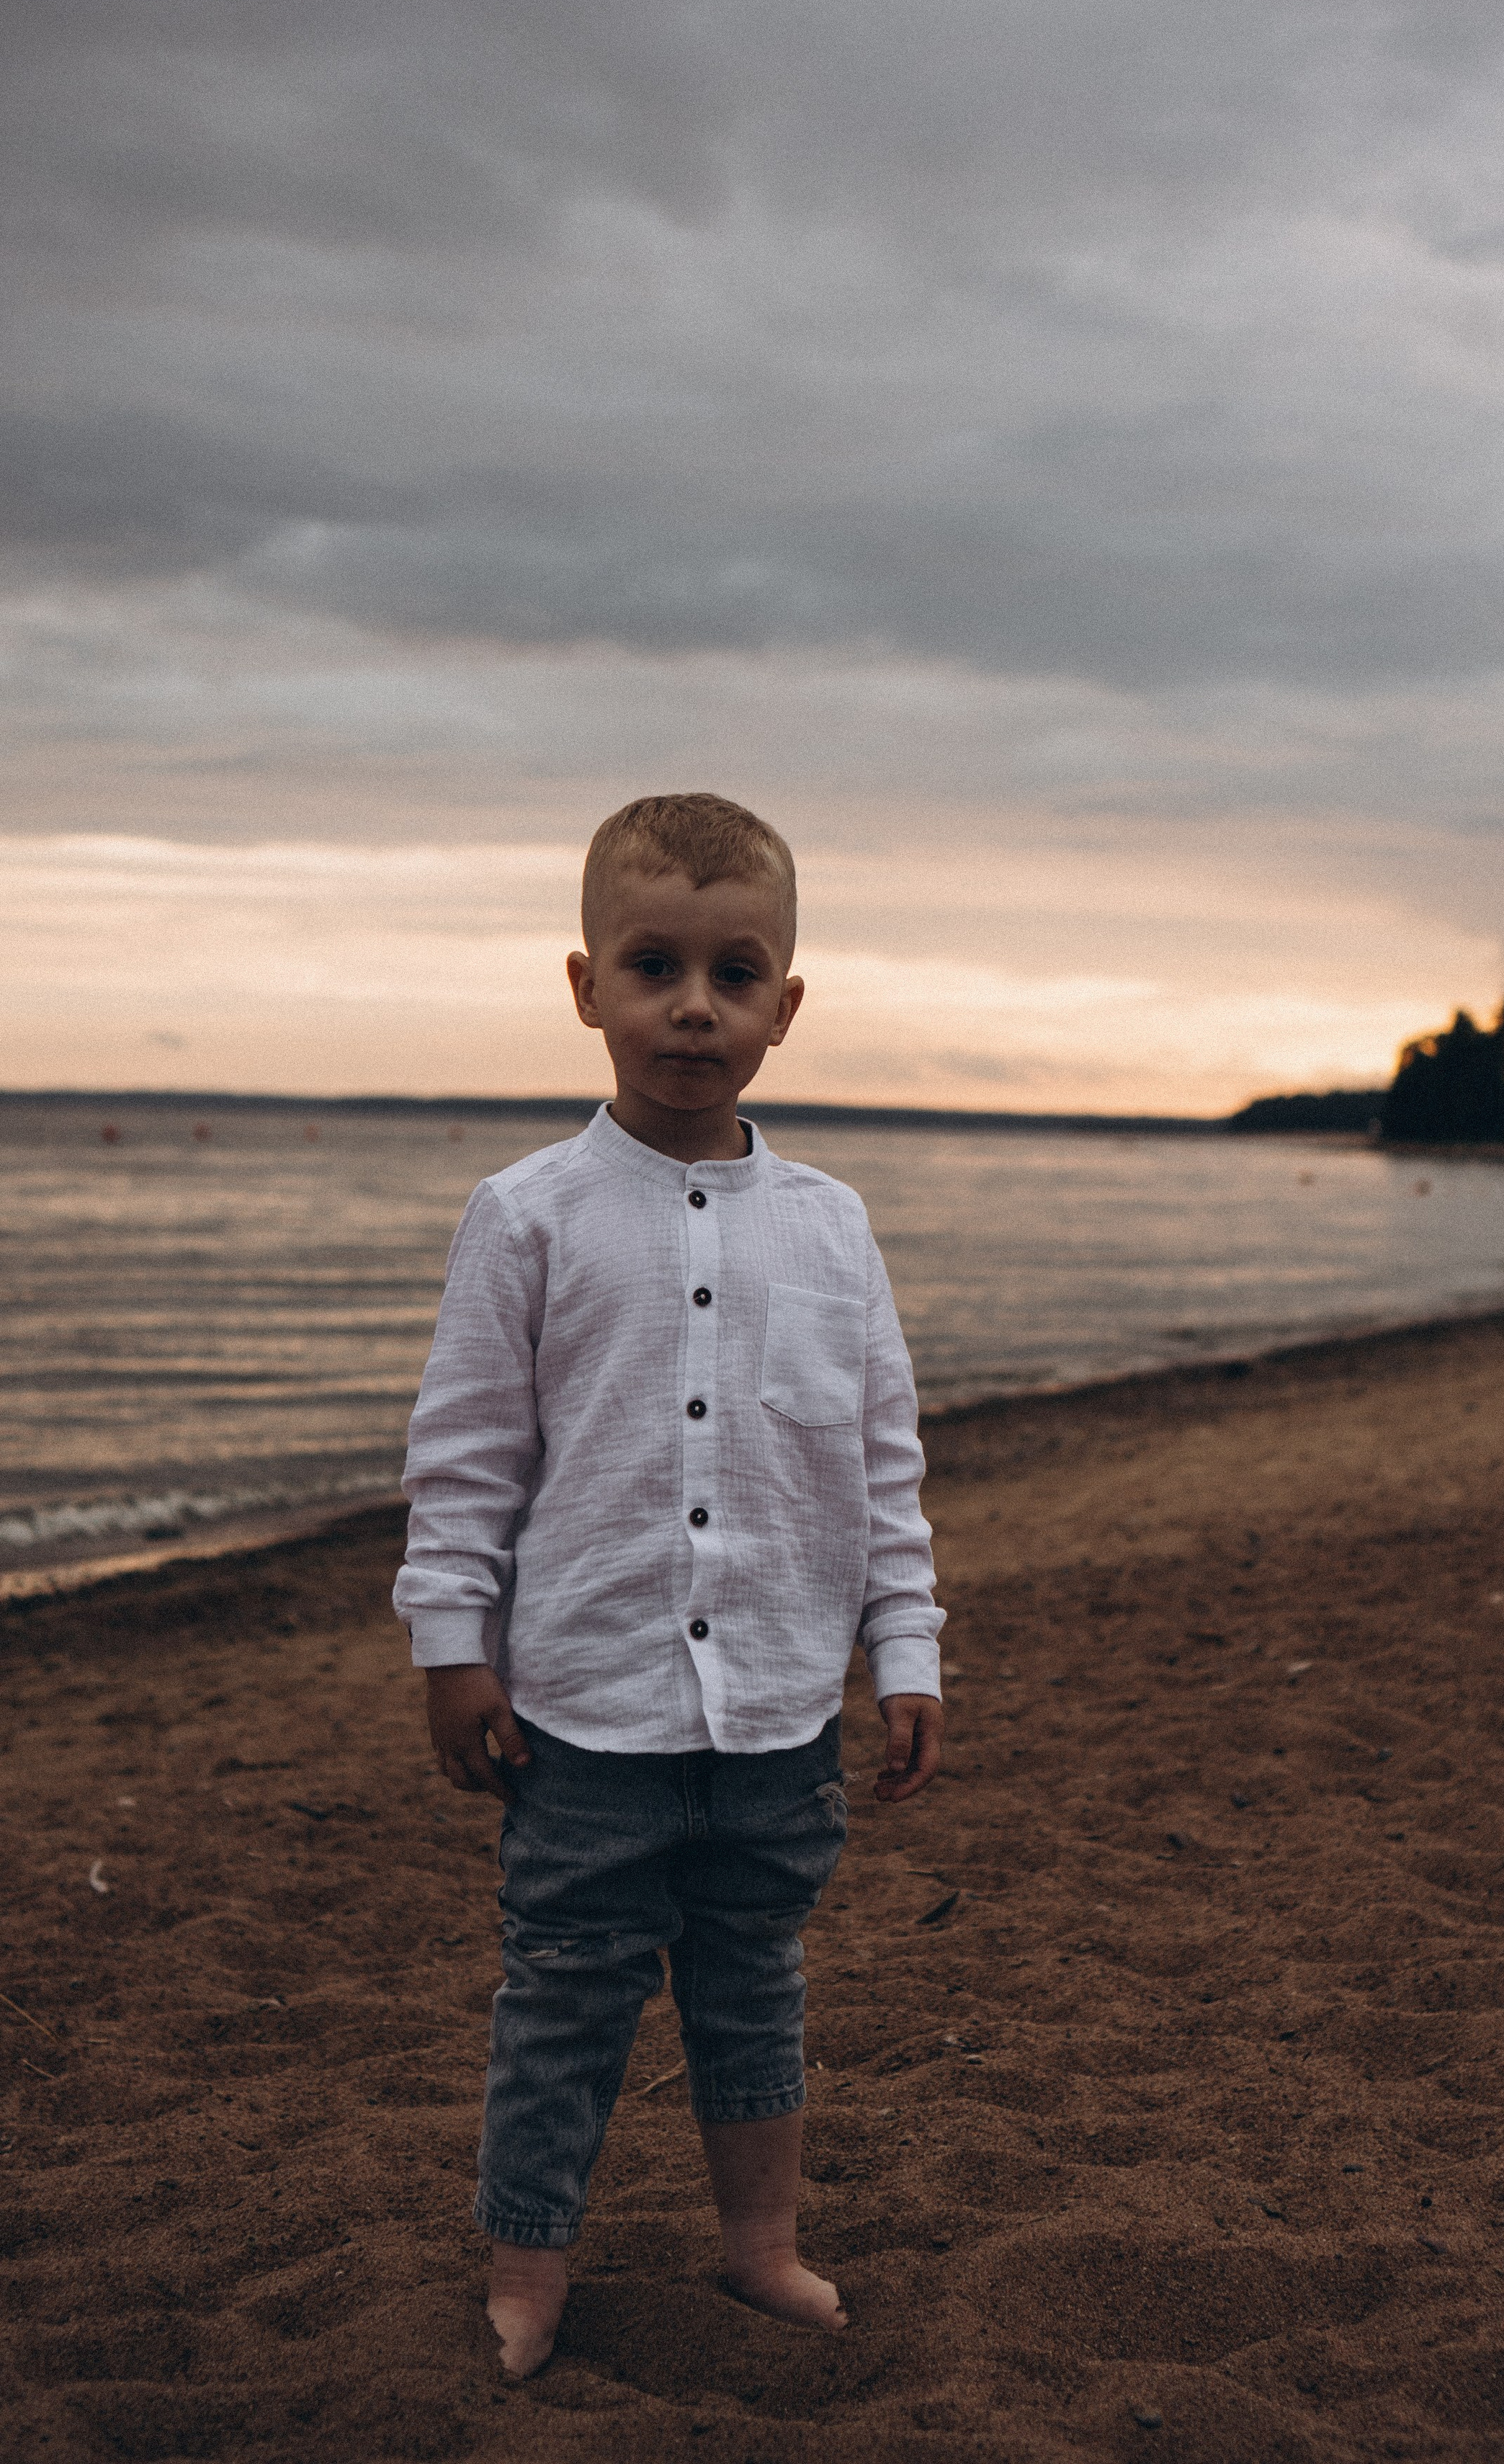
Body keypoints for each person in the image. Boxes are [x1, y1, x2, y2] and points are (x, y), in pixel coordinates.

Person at [393, 792, 945, 2378]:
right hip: (582, 1716)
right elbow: (467, 1454)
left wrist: (905, 1647)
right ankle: (527, 2275)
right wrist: (451, 1644)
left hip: (778, 1713)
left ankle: (761, 2248)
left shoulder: (832, 1229)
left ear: (785, 1005)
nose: (694, 1007)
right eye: (654, 967)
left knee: (752, 1991)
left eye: (733, 973)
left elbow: (880, 1463)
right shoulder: (526, 1216)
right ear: (586, 989)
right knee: (564, 2001)